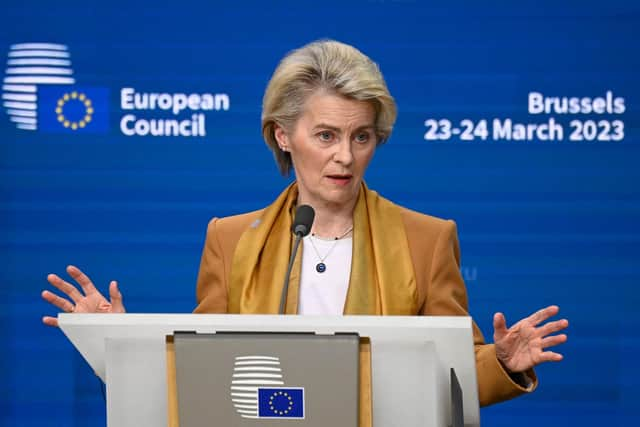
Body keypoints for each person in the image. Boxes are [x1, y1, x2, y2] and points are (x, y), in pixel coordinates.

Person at [42, 40, 568, 407]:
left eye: (361, 137)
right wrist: (114, 339)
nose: (345, 156)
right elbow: (199, 375)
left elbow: (453, 381)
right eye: (326, 136)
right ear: (282, 135)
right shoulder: (230, 241)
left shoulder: (427, 240)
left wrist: (500, 361)